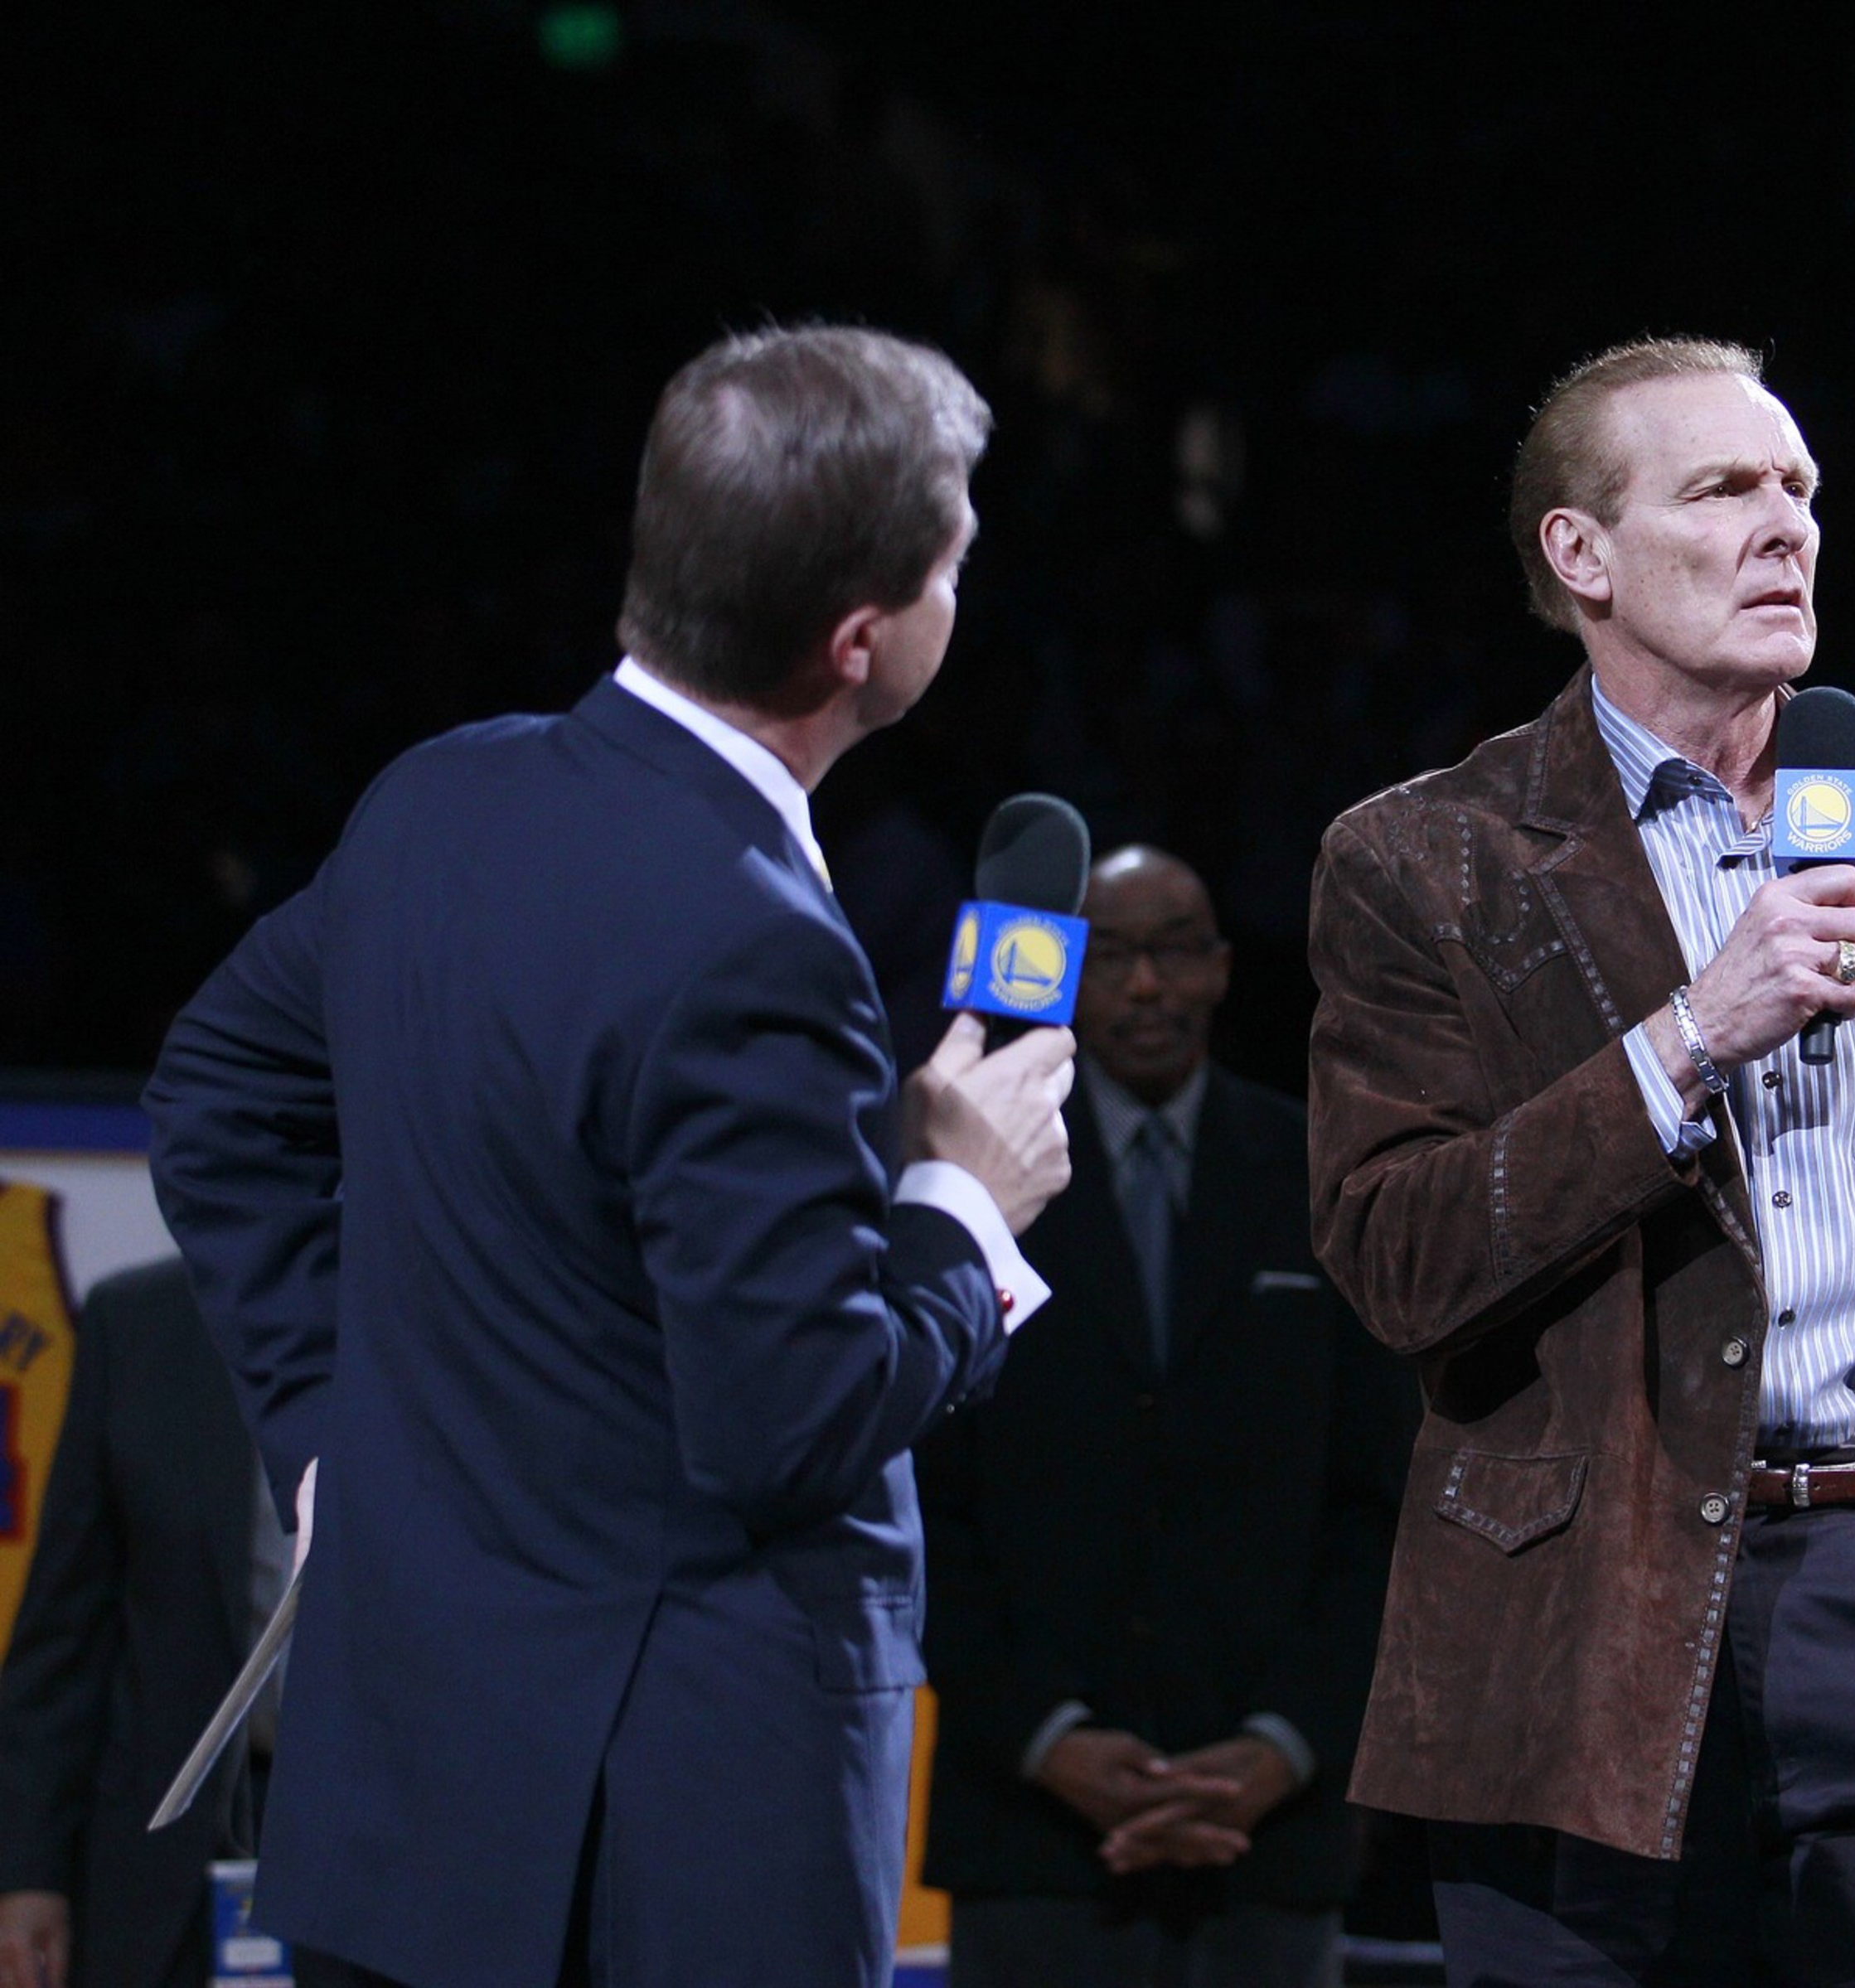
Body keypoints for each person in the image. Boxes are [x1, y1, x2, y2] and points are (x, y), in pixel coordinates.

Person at [142, 326, 1078, 1988]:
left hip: (408, 1805)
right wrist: (962, 1204)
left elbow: (216, 1083)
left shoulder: (443, 796)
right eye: (954, 560)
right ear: (860, 639)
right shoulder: (756, 943)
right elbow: (786, 1419)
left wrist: (317, 1422)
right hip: (667, 1846)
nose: (963, 589)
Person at [1301, 336, 1855, 1984]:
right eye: (1723, 489)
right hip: (1570, 1624)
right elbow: (1396, 1252)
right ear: (1581, 556)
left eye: (1799, 488)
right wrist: (1684, 1037)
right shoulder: (1424, 857)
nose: (1789, 526)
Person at [917, 844, 1415, 1988]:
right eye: (1111, 954)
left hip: (1268, 1833)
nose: (1145, 985)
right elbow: (933, 1506)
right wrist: (1051, 1739)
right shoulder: (971, 1176)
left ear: (1222, 968)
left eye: (1174, 949)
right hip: (1027, 1828)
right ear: (1061, 975)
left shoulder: (1318, 1169)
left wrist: (1278, 1745)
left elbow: (1377, 1505)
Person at [0, 1259, 283, 1988]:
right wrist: (29, 1873)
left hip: (395, 1869)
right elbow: (66, 1633)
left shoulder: (457, 1311)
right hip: (159, 1875)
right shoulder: (140, 1320)